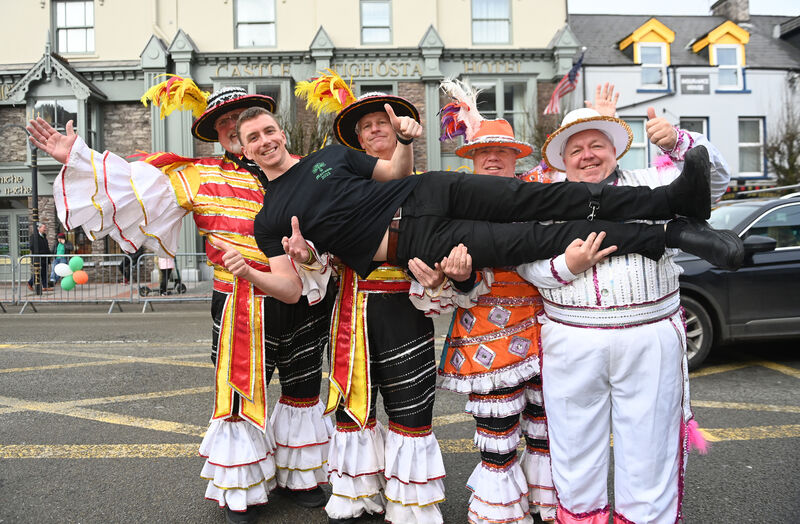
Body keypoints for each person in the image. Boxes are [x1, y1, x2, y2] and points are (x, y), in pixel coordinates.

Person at [26, 82, 333, 524]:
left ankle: (300, 478)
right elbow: (131, 184)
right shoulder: (197, 175)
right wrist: (79, 158)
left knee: (303, 388)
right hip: (240, 303)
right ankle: (242, 490)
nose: (234, 127)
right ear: (218, 134)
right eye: (224, 123)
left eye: (241, 117)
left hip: (303, 297)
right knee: (238, 398)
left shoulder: (302, 168)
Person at [225, 105, 741, 311]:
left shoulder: (331, 156)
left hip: (427, 192)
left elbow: (393, 173)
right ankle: (671, 234)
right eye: (253, 139)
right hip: (417, 242)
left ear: (281, 132)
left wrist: (403, 140)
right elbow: (291, 289)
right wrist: (248, 272)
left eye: (269, 130)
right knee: (539, 238)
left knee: (543, 196)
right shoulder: (268, 219)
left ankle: (672, 199)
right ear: (243, 150)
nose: (265, 141)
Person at [516, 86, 726, 523]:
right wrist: (567, 266)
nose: (587, 156)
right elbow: (525, 262)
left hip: (649, 334)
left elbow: (714, 184)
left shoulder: (653, 182)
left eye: (597, 145)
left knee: (651, 449)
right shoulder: (545, 199)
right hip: (572, 338)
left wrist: (677, 142)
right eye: (576, 149)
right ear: (562, 159)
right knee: (574, 453)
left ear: (615, 150)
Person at [406, 81, 560, 524]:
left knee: (546, 426)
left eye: (501, 151)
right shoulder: (454, 204)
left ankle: (546, 502)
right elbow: (443, 279)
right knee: (497, 432)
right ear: (471, 159)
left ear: (516, 157)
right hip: (486, 333)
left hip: (546, 328)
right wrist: (453, 276)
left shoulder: (539, 192)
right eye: (482, 151)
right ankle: (500, 511)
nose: (492, 158)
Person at [297, 87, 448, 524]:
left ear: (403, 130)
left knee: (411, 406)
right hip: (352, 306)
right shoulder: (338, 189)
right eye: (367, 126)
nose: (376, 129)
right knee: (352, 405)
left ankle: (410, 505)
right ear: (359, 141)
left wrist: (441, 277)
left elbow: (446, 247)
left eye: (384, 122)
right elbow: (320, 256)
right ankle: (356, 496)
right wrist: (307, 256)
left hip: (407, 308)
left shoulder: (426, 185)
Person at [27, 222, 51, 292]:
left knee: (44, 272)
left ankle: (45, 286)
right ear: (39, 228)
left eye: (45, 227)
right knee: (38, 272)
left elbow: (46, 247)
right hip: (38, 258)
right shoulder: (34, 236)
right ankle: (30, 283)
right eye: (44, 227)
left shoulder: (44, 236)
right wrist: (39, 253)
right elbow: (31, 247)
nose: (45, 229)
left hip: (45, 258)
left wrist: (49, 255)